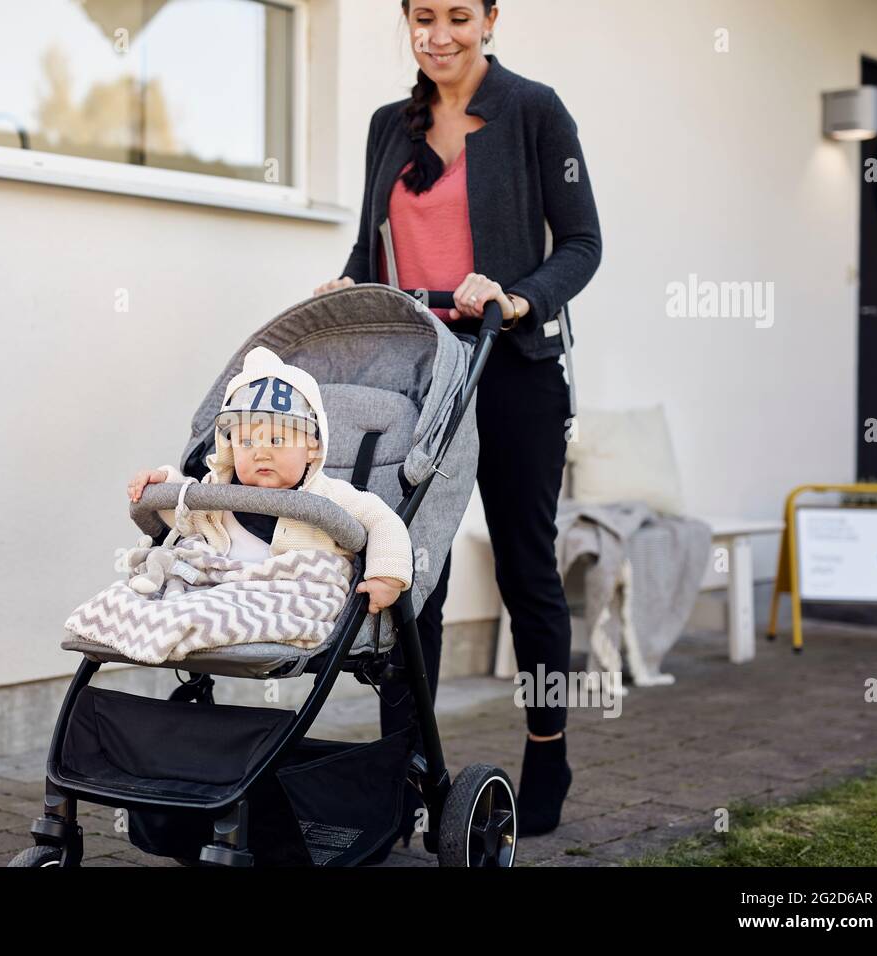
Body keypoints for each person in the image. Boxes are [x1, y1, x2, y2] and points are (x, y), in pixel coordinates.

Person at [314, 0, 603, 849]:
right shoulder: (386, 127)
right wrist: (345, 286)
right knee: (415, 572)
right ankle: (409, 763)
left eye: (457, 17)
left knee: (526, 574)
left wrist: (517, 299)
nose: (440, 34)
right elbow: (374, 255)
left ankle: (547, 752)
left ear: (490, 19)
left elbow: (582, 244)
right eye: (424, 17)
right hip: (423, 379)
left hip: (511, 373)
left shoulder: (536, 111)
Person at [129, 345, 412, 614]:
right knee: (150, 586)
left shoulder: (329, 494)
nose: (261, 453)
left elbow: (383, 520)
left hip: (292, 598)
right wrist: (163, 482)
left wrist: (386, 578)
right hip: (221, 593)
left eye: (277, 440)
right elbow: (183, 517)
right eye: (247, 441)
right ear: (229, 446)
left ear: (312, 446)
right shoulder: (217, 494)